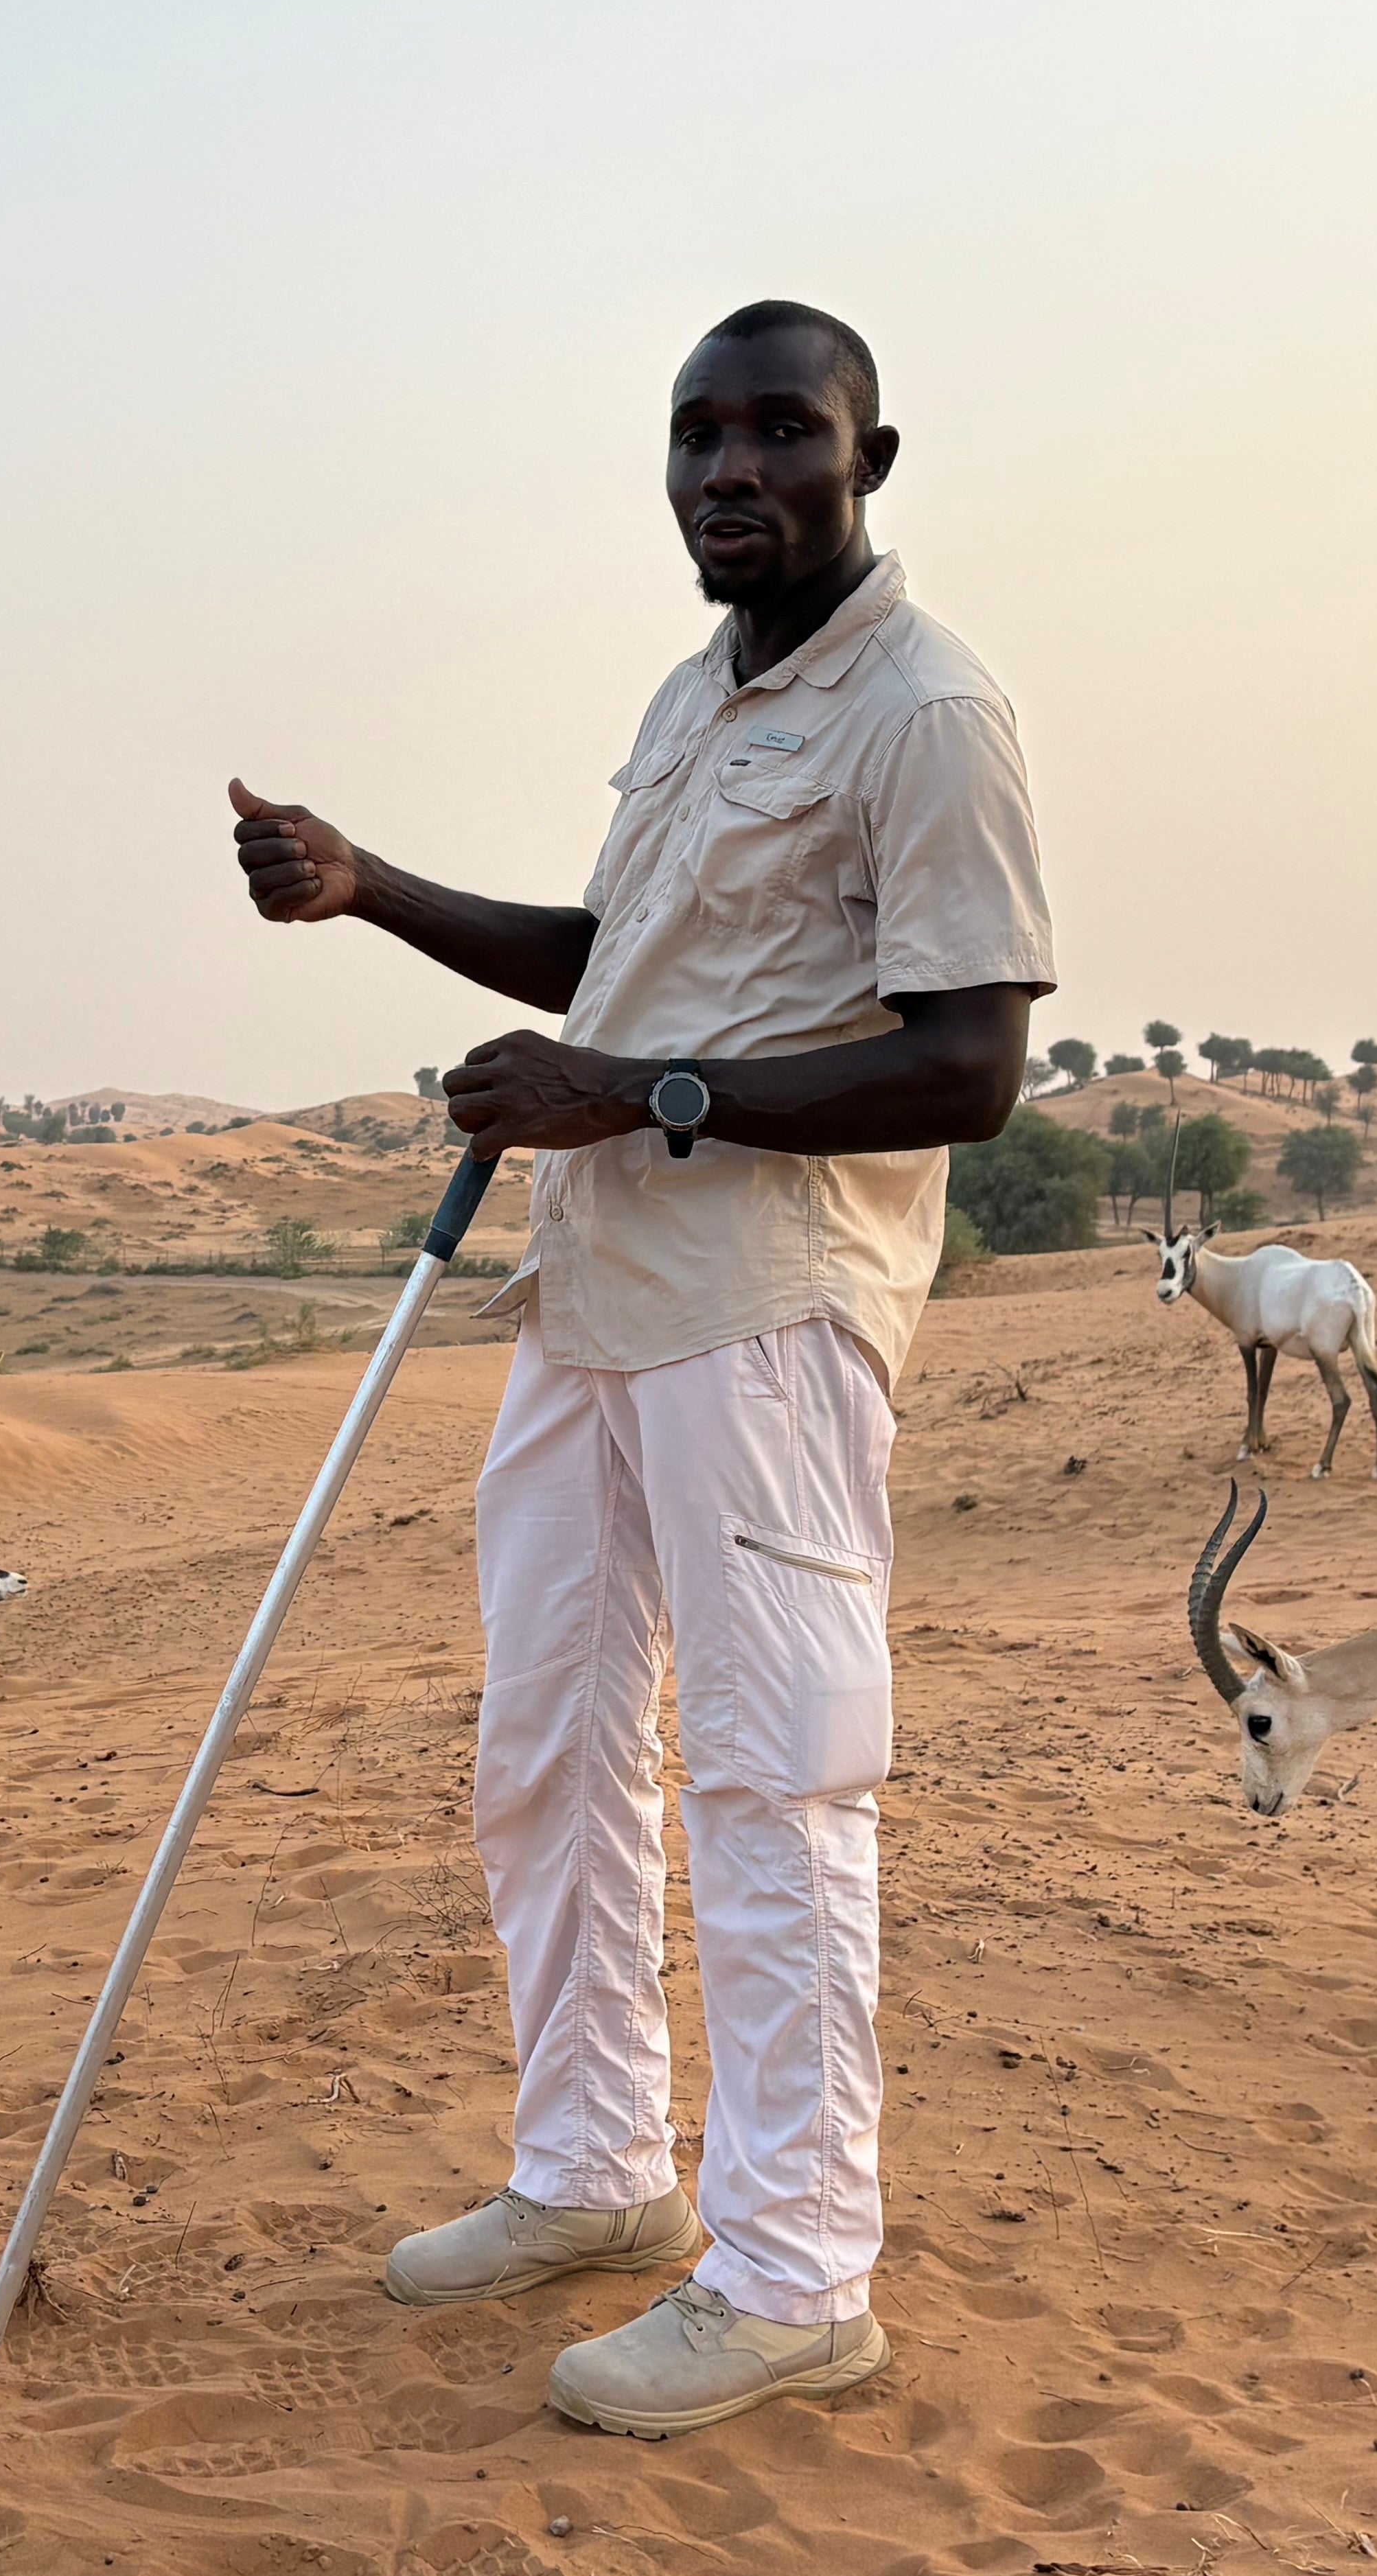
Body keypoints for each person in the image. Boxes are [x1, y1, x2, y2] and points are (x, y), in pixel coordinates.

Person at [228, 299, 1054, 2438]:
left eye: (784, 429)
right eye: (699, 433)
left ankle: (794, 2270)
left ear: (874, 456)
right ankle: (595, 2172)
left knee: (777, 1778)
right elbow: (621, 965)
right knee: (553, 1743)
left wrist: (642, 1099)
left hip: (768, 1308)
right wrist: (371, 888)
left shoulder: (931, 713)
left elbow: (966, 1069)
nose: (732, 470)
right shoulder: (699, 697)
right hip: (593, 1299)